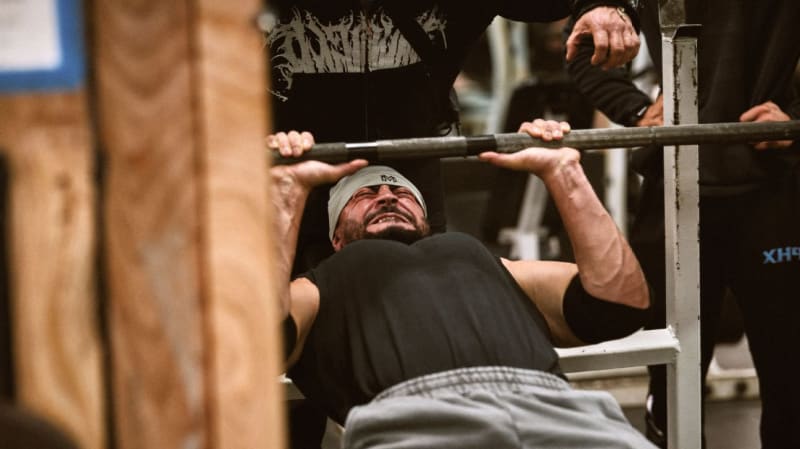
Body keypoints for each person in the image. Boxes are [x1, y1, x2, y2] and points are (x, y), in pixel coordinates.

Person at [269, 119, 657, 448]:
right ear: (336, 238)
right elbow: (258, 343)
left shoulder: (490, 263)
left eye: (402, 193)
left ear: (426, 220)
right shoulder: (319, 286)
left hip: (555, 410)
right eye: (367, 194)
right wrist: (288, 191)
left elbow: (619, 306)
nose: (387, 196)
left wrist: (563, 171)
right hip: (418, 425)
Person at [564, 1, 800, 447]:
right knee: (672, 385)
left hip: (774, 191)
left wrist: (797, 120)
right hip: (675, 194)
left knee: (792, 383)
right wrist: (636, 111)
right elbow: (582, 45)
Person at [265, 0, 643, 276]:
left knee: (422, 303)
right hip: (282, 163)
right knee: (277, 330)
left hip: (411, 169)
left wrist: (606, 6)